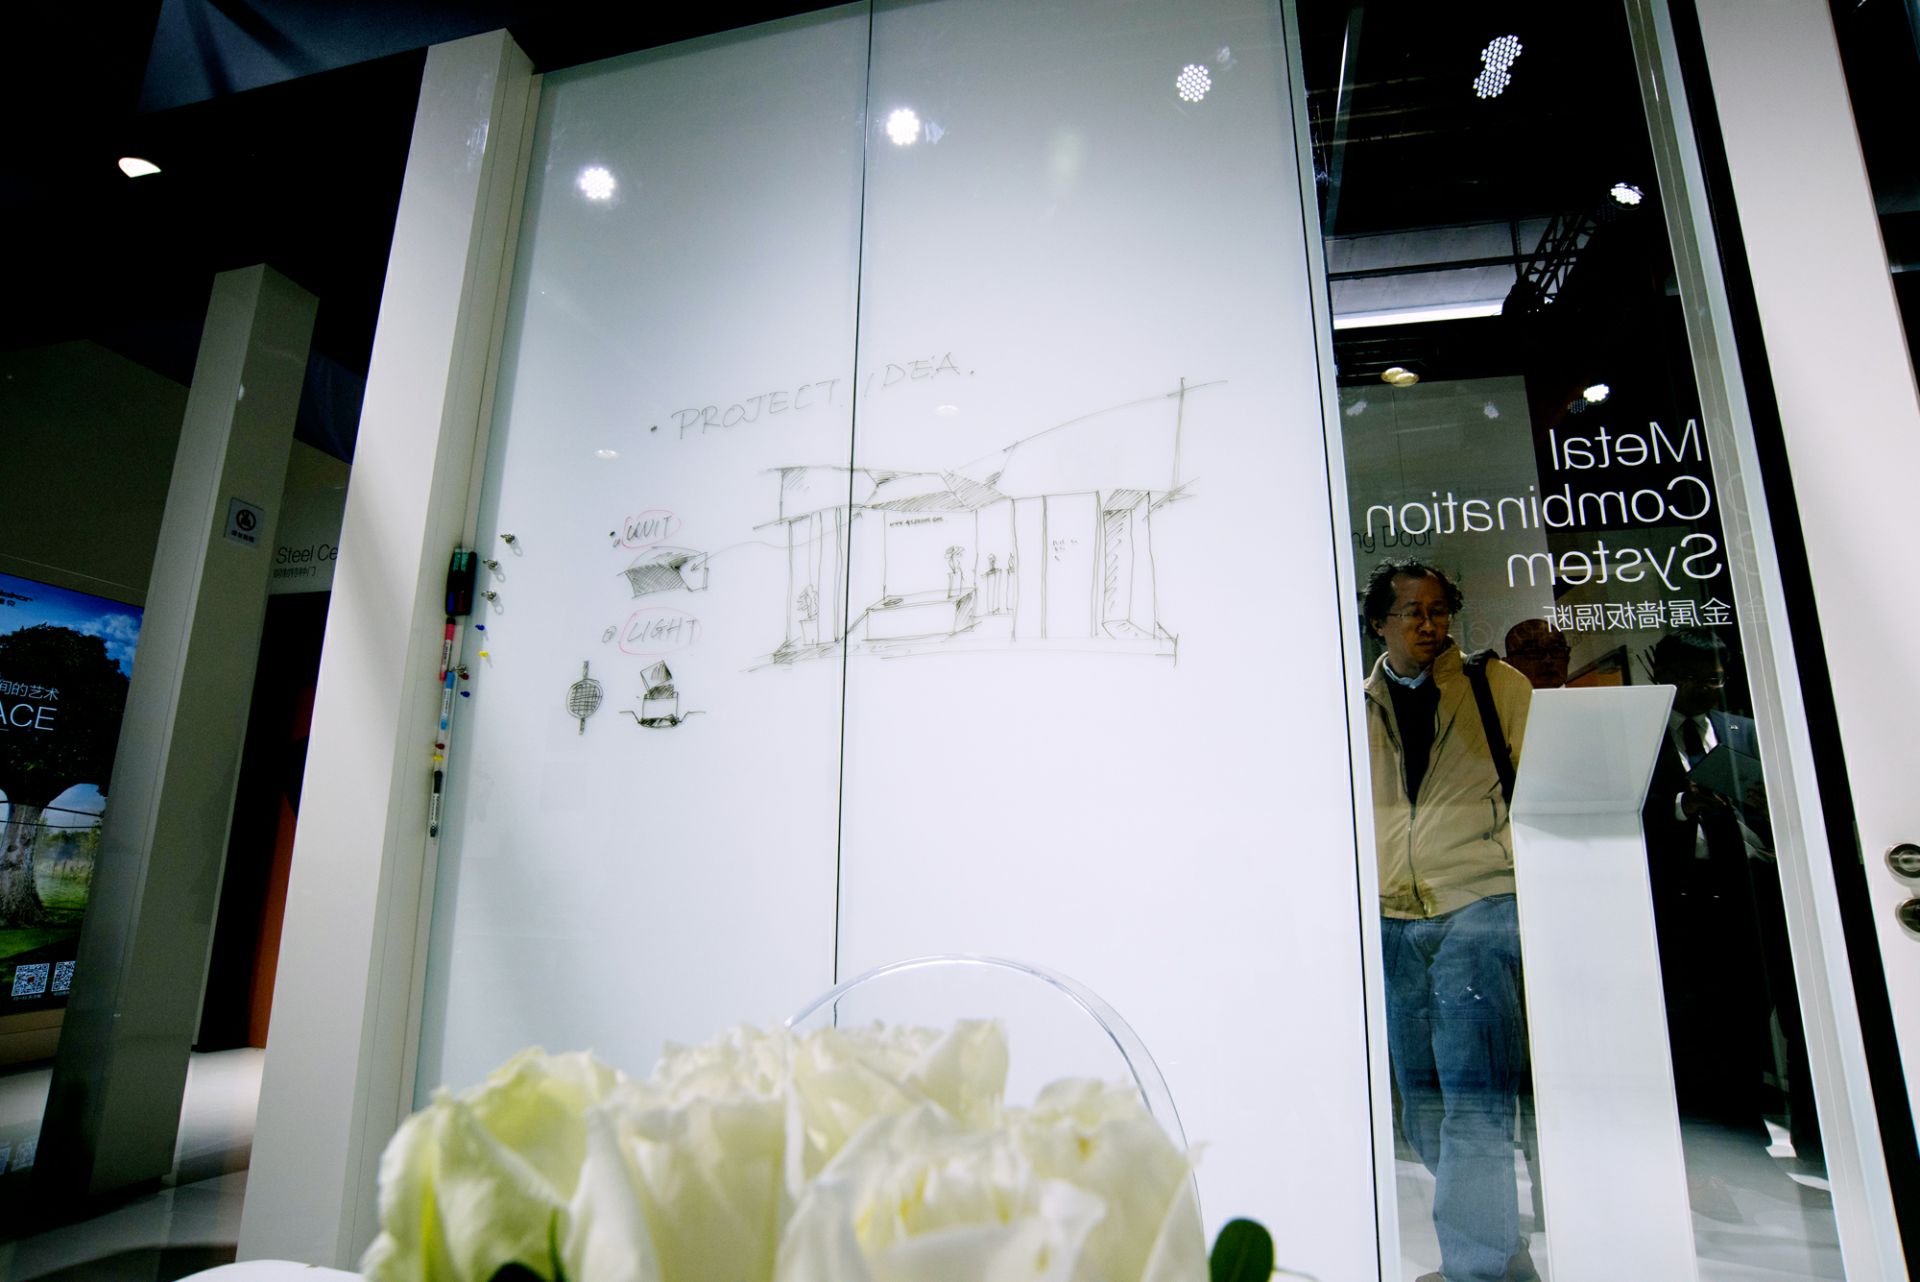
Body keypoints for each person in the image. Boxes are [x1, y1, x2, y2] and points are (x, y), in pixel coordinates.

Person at [1363, 559, 1536, 1282]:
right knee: (1423, 1110)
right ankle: (1499, 1252)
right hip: (1391, 917)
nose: (1429, 624)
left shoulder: (1496, 687)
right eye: (1412, 611)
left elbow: (1539, 789)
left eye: (1439, 610)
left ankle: (1476, 1267)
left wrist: (1507, 867)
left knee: (1473, 1098)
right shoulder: (1351, 705)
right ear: (1380, 622)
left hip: (1478, 906)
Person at [1643, 629, 1821, 1168]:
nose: (1707, 689)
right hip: (1681, 897)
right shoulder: (1640, 733)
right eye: (1694, 678)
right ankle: (1718, 1142)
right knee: (1696, 1019)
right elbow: (1628, 809)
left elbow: (1785, 808)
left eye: (1716, 679)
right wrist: (1681, 805)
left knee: (1751, 1015)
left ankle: (1768, 1133)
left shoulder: (1742, 730)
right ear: (1662, 675)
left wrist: (1767, 806)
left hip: (1751, 891)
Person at [1502, 618, 1570, 690]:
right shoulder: (1499, 696)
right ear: (1509, 664)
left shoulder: (1578, 694)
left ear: (1567, 659)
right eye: (1534, 652)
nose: (1548, 660)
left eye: (1556, 650)